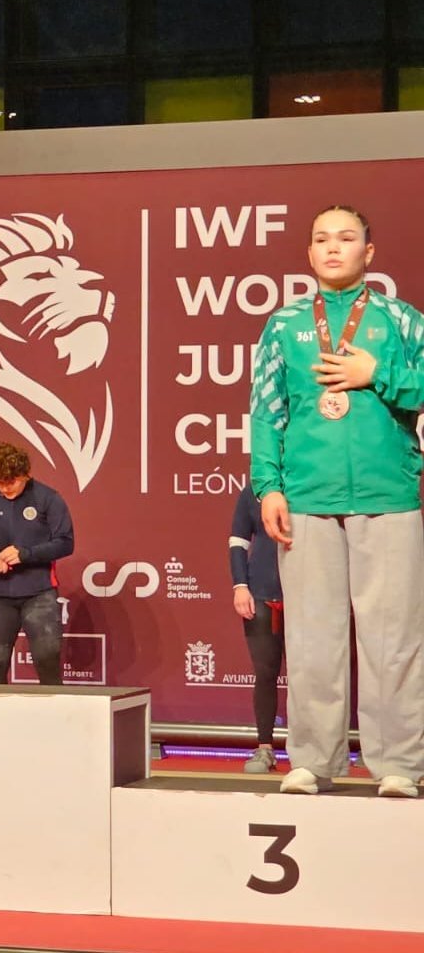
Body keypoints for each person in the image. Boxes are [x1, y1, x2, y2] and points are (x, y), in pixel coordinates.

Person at [250, 205, 424, 798]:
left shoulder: (402, 320)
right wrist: (268, 485)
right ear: (308, 253)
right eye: (321, 239)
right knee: (312, 636)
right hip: (307, 496)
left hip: (389, 495)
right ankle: (313, 760)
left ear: (369, 253)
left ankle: (398, 763)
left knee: (394, 637)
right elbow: (266, 410)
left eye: (346, 238)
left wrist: (378, 372)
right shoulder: (285, 324)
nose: (332, 248)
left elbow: (422, 387)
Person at [0, 441, 73, 685]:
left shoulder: (48, 498)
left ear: (25, 474)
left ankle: (55, 720)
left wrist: (26, 554)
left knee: (47, 659)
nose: (4, 489)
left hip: (39, 594)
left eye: (11, 483)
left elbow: (65, 543)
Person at [228, 484, 285, 774]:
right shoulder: (254, 491)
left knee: (313, 676)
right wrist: (240, 586)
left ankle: (313, 752)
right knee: (265, 674)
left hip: (308, 597)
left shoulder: (312, 485)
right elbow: (238, 542)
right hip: (261, 595)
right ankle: (265, 749)